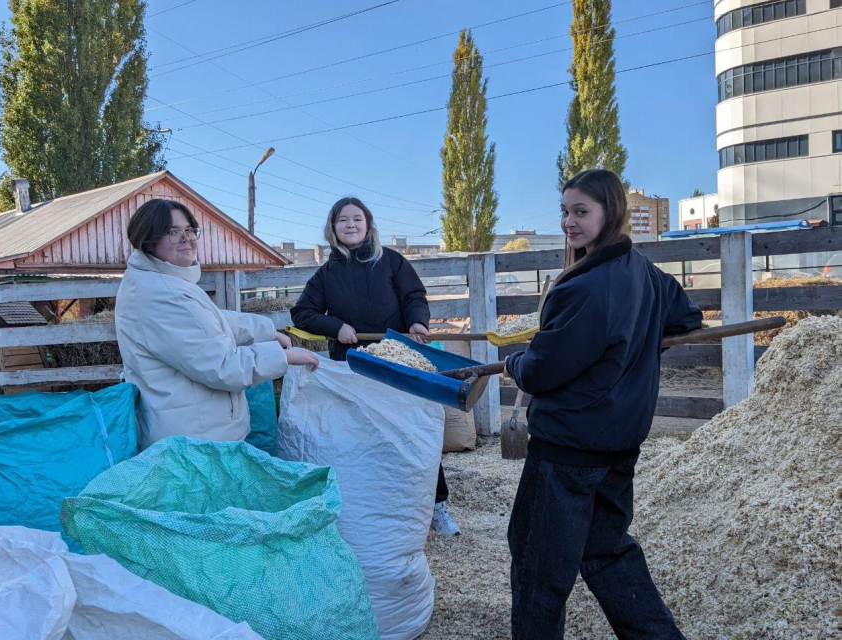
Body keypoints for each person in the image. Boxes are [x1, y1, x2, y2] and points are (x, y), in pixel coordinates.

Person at [504, 170, 700, 639]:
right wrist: (632, 347)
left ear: (610, 212)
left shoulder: (583, 288)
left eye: (581, 212)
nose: (570, 222)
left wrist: (515, 361)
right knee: (607, 553)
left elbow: (542, 370)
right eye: (565, 212)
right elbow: (686, 317)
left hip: (568, 449)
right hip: (618, 443)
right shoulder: (645, 273)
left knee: (538, 568)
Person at [291, 196, 460, 536]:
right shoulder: (327, 274)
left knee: (413, 432)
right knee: (362, 436)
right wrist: (336, 327)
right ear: (332, 228)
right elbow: (302, 313)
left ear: (368, 225)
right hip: (353, 365)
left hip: (397, 361)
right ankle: (376, 507)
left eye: (357, 219)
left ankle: (436, 507)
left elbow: (414, 296)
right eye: (343, 220)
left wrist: (416, 323)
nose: (350, 225)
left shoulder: (392, 261)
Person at [116, 198, 318, 450]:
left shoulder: (162, 282)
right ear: (148, 240)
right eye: (173, 232)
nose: (186, 238)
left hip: (193, 433)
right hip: (196, 446)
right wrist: (284, 357)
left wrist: (266, 331)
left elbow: (211, 322)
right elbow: (222, 365)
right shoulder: (161, 295)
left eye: (190, 230)